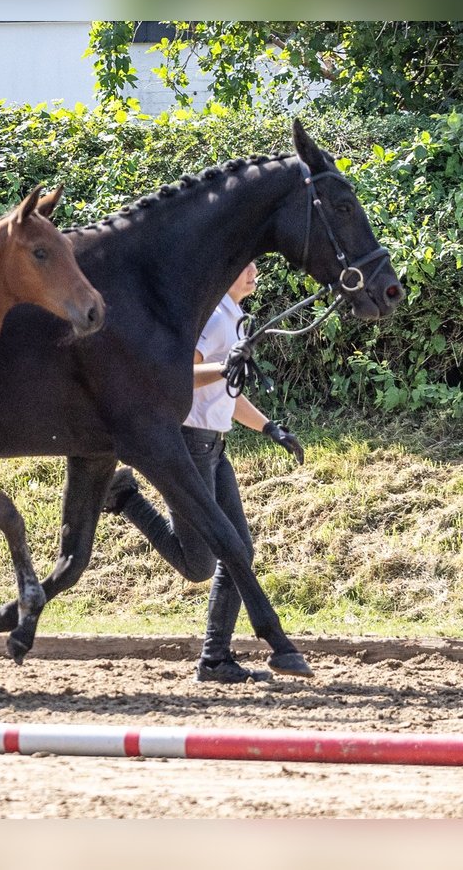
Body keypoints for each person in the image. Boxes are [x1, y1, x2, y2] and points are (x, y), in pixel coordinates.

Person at [102, 261, 305, 683]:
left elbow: (226, 393)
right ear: (223, 271)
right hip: (190, 445)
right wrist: (223, 368)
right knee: (198, 565)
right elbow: (176, 378)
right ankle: (125, 499)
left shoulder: (233, 317)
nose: (253, 271)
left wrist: (270, 427)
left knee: (240, 553)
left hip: (215, 447)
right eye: (244, 265)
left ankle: (215, 660)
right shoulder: (212, 318)